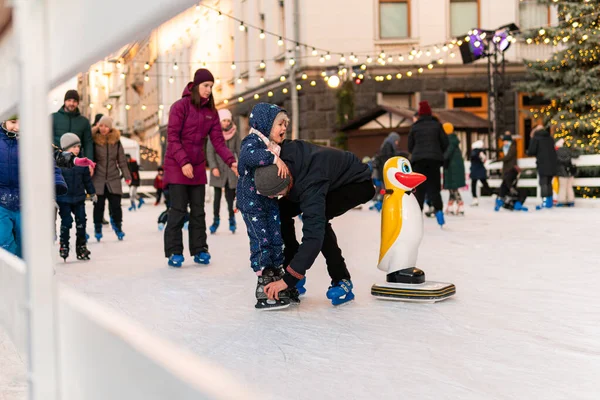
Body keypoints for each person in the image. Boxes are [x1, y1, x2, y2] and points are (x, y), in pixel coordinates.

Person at [254, 140, 375, 307]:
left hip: (355, 183)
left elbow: (313, 237)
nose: (276, 197)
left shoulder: (310, 186)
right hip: (321, 175)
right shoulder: (277, 155)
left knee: (319, 220)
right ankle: (293, 267)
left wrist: (287, 280)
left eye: (278, 194)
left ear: (287, 184)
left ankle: (342, 280)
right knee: (280, 212)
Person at [163, 68, 237, 267]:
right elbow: (172, 138)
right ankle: (174, 251)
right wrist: (183, 162)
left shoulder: (211, 113)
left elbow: (218, 142)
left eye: (211, 87)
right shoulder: (180, 107)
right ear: (196, 85)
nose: (208, 90)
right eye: (206, 86)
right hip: (177, 165)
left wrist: (231, 161)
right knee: (178, 209)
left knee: (198, 210)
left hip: (195, 166)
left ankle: (200, 249)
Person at [236, 103, 295, 309]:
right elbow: (247, 157)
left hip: (269, 199)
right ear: (266, 123)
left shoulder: (273, 144)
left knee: (275, 236)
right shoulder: (253, 141)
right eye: (280, 124)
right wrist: (272, 158)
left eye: (285, 124)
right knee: (261, 240)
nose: (284, 128)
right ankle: (264, 279)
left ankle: (277, 274)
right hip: (251, 202)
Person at [0, 116, 68, 258]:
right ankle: (8, 270)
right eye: (13, 122)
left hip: (25, 203)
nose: (17, 127)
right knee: (5, 243)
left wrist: (56, 182)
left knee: (24, 245)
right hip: (1, 202)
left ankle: (21, 270)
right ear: (3, 121)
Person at [408, 100, 449, 226]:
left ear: (419, 114)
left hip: (418, 161)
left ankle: (417, 218)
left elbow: (410, 146)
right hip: (433, 161)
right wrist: (437, 152)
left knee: (419, 190)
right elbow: (445, 142)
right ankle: (439, 214)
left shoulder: (415, 127)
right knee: (434, 188)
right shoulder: (437, 125)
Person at [56, 133, 96, 261]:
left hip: (79, 198)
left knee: (81, 223)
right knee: (66, 223)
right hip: (64, 199)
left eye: (78, 146)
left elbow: (87, 180)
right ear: (66, 148)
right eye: (73, 147)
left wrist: (92, 193)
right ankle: (64, 245)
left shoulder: (82, 162)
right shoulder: (59, 162)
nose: (77, 149)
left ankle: (81, 246)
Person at [91, 116, 131, 241]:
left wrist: (127, 176)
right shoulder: (94, 140)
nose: (103, 128)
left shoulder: (116, 141)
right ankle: (98, 227)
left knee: (116, 206)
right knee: (98, 206)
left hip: (113, 177)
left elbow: (122, 160)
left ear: (110, 128)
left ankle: (118, 227)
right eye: (101, 126)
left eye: (106, 126)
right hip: (98, 177)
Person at [207, 108, 241, 234]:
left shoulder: (235, 134)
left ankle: (232, 220)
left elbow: (239, 150)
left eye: (228, 120)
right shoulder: (214, 133)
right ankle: (215, 221)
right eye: (224, 120)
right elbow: (210, 152)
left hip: (231, 170)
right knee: (216, 198)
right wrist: (213, 167)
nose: (226, 123)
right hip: (218, 169)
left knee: (230, 198)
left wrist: (241, 165)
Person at [52, 90, 94, 160]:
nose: (71, 103)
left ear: (77, 103)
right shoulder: (53, 118)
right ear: (64, 101)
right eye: (69, 100)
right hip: (57, 160)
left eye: (74, 101)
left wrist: (89, 162)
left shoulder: (84, 122)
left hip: (76, 161)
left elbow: (88, 144)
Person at [527, 124, 558, 210]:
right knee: (549, 182)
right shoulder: (550, 138)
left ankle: (545, 202)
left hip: (542, 163)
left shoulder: (536, 138)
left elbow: (531, 151)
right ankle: (549, 202)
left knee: (543, 183)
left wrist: (532, 138)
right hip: (552, 164)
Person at [442, 123, 466, 215]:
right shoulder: (452, 139)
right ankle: (450, 206)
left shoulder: (450, 140)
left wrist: (440, 158)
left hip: (452, 168)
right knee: (451, 188)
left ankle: (461, 205)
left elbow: (447, 153)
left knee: (453, 187)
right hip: (452, 167)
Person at [555, 138, 579, 207]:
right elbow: (576, 155)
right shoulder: (568, 150)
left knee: (562, 187)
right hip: (569, 171)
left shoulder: (556, 152)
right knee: (569, 187)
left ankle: (561, 201)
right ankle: (571, 201)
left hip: (562, 172)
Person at [469, 140, 490, 206]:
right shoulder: (481, 152)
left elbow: (473, 158)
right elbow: (484, 160)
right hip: (480, 170)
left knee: (473, 185)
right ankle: (492, 194)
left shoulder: (474, 152)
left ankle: (475, 198)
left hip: (475, 171)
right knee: (485, 183)